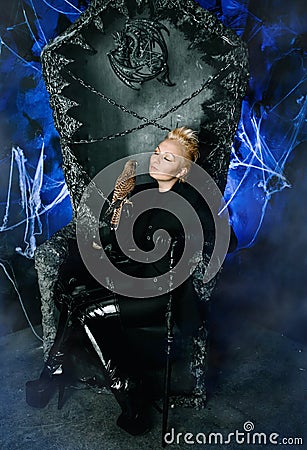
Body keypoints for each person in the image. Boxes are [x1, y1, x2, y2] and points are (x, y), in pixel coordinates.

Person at [25, 127, 216, 435]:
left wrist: (186, 237)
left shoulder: (191, 202)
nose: (156, 160)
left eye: (168, 157)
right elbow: (123, 241)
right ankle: (76, 373)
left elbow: (227, 239)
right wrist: (117, 215)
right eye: (156, 152)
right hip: (131, 282)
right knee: (74, 296)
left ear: (182, 170)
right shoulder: (143, 192)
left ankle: (124, 390)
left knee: (82, 310)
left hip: (160, 295)